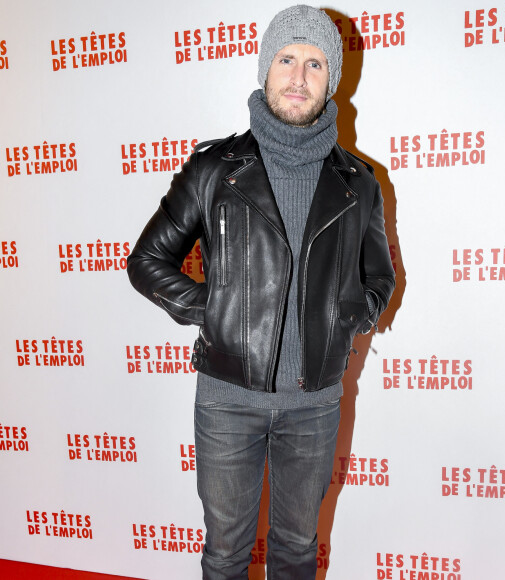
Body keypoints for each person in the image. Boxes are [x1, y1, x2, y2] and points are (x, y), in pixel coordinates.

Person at [127, 4, 395, 579]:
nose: (299, 77)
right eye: (287, 58)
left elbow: (380, 278)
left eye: (316, 64)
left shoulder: (360, 184)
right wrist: (216, 310)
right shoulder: (212, 169)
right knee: (225, 553)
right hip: (227, 400)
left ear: (332, 83)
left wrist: (347, 317)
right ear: (265, 69)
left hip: (315, 403)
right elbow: (147, 260)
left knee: (298, 550)